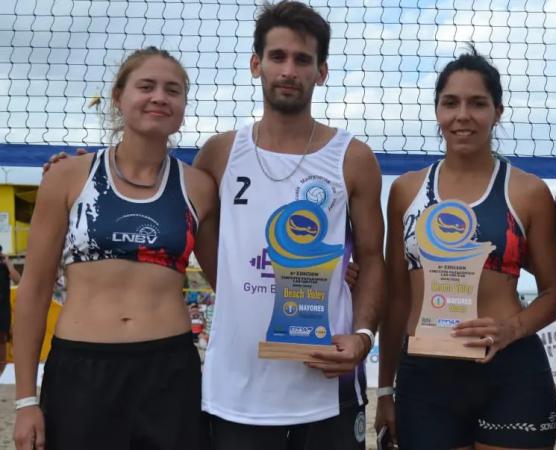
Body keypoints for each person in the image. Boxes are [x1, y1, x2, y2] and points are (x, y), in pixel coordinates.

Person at [193, 1, 385, 449]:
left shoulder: (353, 159)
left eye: (303, 59)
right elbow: (192, 229)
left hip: (325, 384)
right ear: (256, 64)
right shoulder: (219, 154)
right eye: (277, 56)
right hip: (235, 389)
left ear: (321, 72)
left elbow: (373, 258)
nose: (289, 69)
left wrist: (361, 337)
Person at [13, 47, 218, 450]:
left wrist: (332, 274)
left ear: (183, 106)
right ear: (119, 98)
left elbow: (230, 279)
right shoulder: (67, 177)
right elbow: (34, 291)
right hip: (81, 370)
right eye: (146, 86)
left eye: (172, 90)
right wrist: (25, 401)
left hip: (169, 371)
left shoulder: (199, 187)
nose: (159, 96)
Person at [375, 48, 556, 450]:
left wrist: (511, 329)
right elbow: (396, 298)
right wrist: (384, 391)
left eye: (478, 103)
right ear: (437, 111)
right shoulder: (405, 191)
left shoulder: (528, 191)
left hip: (509, 368)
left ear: (497, 111)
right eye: (451, 103)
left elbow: (555, 293)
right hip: (425, 375)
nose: (463, 115)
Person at [0, 245, 22, 377]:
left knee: (2, 340)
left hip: (2, 309)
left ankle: (1, 374)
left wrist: (9, 263)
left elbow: (18, 280)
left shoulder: (4, 267)